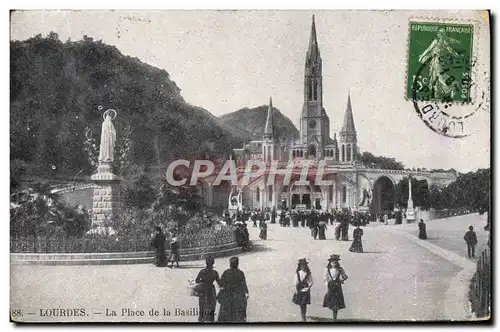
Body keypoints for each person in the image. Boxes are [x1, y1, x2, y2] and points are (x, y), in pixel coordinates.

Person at [217, 257, 249, 322]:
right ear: (237, 264)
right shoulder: (240, 273)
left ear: (230, 264)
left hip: (227, 296)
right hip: (238, 296)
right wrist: (246, 292)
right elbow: (243, 284)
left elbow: (221, 284)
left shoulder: (226, 272)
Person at [195, 256, 221, 322]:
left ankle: (201, 320)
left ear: (206, 263)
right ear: (213, 263)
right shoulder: (215, 272)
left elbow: (197, 280)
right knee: (211, 307)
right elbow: (220, 283)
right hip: (211, 291)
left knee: (202, 307)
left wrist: (202, 281)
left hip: (203, 290)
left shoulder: (202, 271)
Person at [323, 254, 348, 321]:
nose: (333, 263)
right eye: (332, 261)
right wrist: (327, 287)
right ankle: (333, 315)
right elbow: (325, 279)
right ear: (330, 262)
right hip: (330, 286)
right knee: (330, 302)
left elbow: (345, 276)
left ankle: (334, 318)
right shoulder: (327, 269)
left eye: (335, 261)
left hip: (337, 287)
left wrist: (341, 280)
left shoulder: (340, 269)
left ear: (337, 262)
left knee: (336, 303)